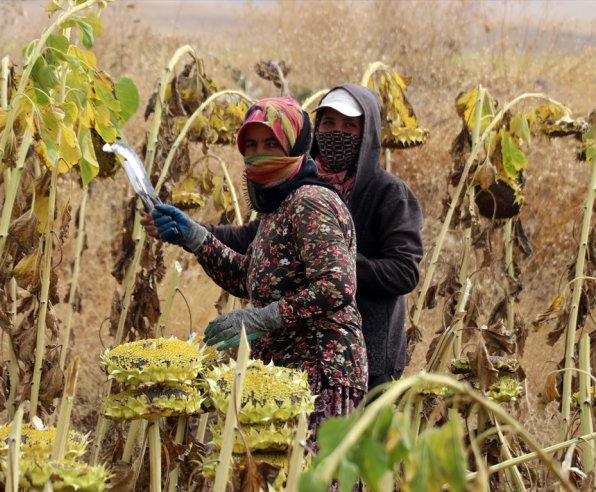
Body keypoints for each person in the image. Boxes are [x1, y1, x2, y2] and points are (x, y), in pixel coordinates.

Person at [141, 97, 367, 436]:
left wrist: (264, 317)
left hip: (321, 375)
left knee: (311, 470)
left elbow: (337, 285)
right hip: (285, 376)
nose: (260, 154)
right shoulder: (278, 207)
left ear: (295, 146)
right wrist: (196, 237)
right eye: (252, 145)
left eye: (271, 144)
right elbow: (250, 278)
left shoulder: (310, 201)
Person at [205, 84, 424, 392]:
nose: (336, 133)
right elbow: (255, 239)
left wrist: (331, 259)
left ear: (368, 133)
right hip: (301, 349)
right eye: (328, 123)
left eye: (349, 126)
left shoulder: (388, 192)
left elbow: (404, 271)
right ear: (316, 128)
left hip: (364, 354)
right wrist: (195, 233)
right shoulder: (297, 185)